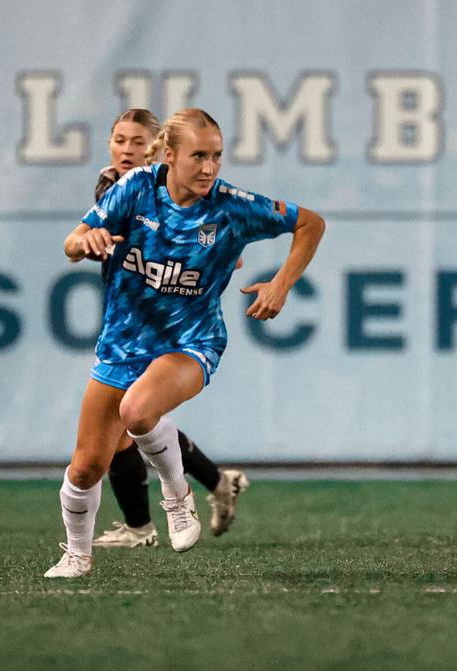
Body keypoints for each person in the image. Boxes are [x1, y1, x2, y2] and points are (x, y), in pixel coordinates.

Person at [46, 107, 326, 577]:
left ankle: (177, 495)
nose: (210, 167)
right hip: (123, 344)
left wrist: (282, 283)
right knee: (85, 468)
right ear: (170, 156)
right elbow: (72, 243)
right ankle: (77, 554)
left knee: (137, 411)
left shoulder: (232, 205)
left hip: (191, 341)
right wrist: (85, 239)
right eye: (199, 156)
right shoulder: (135, 188)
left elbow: (310, 224)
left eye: (217, 155)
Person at [89, 109, 249, 549]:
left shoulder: (172, 189)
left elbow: (225, 245)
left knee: (130, 419)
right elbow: (91, 236)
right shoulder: (115, 185)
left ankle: (143, 526)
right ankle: (215, 483)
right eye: (119, 139)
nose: (127, 149)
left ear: (158, 150)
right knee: (136, 417)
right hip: (130, 322)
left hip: (170, 325)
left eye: (137, 142)